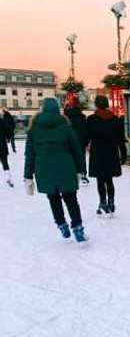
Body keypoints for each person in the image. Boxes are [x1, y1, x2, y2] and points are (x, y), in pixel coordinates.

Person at [23, 97, 88, 242]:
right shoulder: (66, 126)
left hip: (44, 170)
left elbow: (29, 155)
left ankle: (62, 225)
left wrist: (28, 176)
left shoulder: (33, 129)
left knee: (53, 199)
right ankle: (77, 228)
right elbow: (77, 150)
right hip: (66, 168)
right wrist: (80, 170)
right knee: (71, 199)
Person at [81, 95, 127, 216]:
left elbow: (86, 137)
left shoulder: (91, 119)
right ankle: (111, 202)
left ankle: (103, 203)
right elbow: (121, 140)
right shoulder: (116, 119)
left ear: (96, 104)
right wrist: (124, 155)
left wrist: (81, 148)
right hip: (112, 153)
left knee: (100, 180)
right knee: (109, 180)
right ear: (107, 104)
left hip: (97, 153)